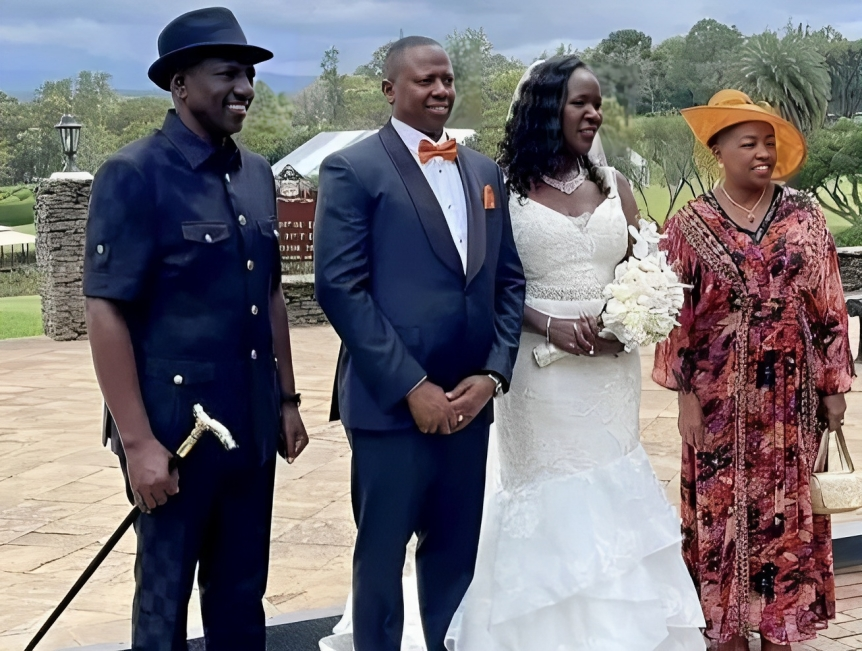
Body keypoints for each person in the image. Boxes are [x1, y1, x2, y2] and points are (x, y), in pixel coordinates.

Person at [83, 8, 308, 650]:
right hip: (173, 432)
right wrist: (137, 443)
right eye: (227, 74)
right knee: (165, 598)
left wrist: (286, 400)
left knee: (241, 593)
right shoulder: (135, 174)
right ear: (180, 85)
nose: (245, 88)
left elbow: (269, 291)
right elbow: (105, 309)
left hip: (250, 423)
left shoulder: (256, 173)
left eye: (249, 76)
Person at [314, 36, 526, 651]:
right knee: (381, 560)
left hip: (470, 404)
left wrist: (492, 375)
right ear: (390, 90)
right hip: (390, 408)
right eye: (425, 80)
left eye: (447, 79)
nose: (440, 90)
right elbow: (340, 288)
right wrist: (412, 386)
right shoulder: (354, 169)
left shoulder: (484, 171)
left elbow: (508, 282)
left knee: (456, 559)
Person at [653, 89, 854, 651]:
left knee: (785, 508)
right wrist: (686, 397)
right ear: (718, 150)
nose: (763, 153)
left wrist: (834, 385)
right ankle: (727, 631)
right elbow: (675, 317)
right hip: (718, 400)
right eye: (749, 143)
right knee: (722, 508)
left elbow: (829, 304)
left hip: (792, 395)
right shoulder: (688, 225)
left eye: (769, 142)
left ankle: (779, 628)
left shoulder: (804, 216)